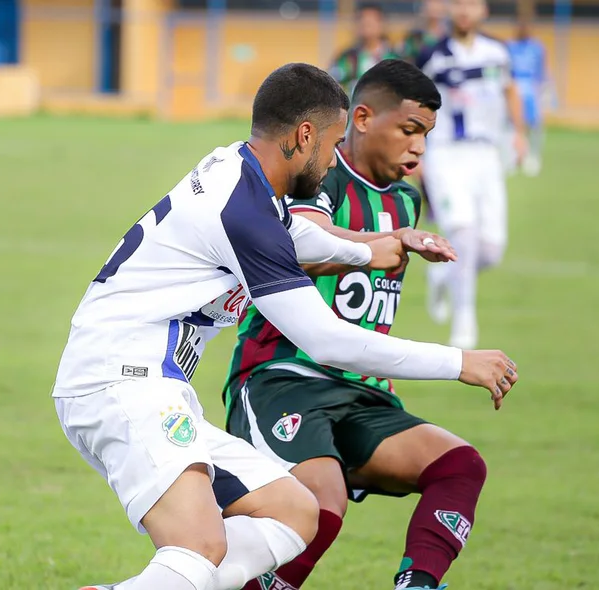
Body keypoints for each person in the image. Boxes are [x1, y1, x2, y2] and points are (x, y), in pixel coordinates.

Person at [54, 61, 518, 590]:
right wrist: (459, 362)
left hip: (149, 384)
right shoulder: (244, 211)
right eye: (331, 143)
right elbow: (326, 339)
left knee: (295, 511)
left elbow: (293, 236)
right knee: (200, 548)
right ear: (304, 136)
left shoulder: (240, 171)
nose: (331, 158)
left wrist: (372, 251)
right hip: (121, 384)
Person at [225, 59, 504, 590]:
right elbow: (300, 246)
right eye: (409, 130)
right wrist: (384, 245)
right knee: (320, 508)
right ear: (360, 118)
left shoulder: (405, 200)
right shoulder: (318, 173)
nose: (419, 148)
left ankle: (416, 584)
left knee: (460, 465)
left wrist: (395, 237)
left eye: (426, 135)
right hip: (284, 378)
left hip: (363, 390)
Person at [417, 0, 527, 350]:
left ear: (484, 10)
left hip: (486, 157)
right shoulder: (431, 56)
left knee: (491, 250)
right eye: (458, 3)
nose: (465, 10)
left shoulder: (497, 52)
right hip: (446, 155)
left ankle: (442, 275)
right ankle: (464, 321)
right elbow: (412, 103)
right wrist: (416, 150)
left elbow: (510, 90)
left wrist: (519, 133)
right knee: (462, 234)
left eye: (472, 4)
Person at [329, 2, 402, 96]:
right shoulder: (346, 58)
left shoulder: (395, 58)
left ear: (382, 24)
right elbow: (332, 85)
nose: (365, 23)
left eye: (371, 20)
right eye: (361, 19)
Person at [507, 18, 547, 176]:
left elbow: (541, 70)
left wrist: (544, 89)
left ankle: (534, 156)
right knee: (511, 124)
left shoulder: (537, 48)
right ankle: (514, 157)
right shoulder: (510, 46)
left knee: (535, 124)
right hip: (514, 87)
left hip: (531, 89)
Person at [402, 0, 446, 64]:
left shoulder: (450, 36)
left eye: (438, 2)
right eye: (431, 2)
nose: (434, 6)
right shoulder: (415, 37)